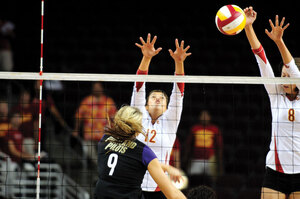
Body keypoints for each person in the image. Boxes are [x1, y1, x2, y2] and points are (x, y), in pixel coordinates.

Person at [244, 6, 300, 199]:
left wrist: (279, 41)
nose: (284, 80)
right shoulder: (276, 94)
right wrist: (248, 27)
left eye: (288, 77)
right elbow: (261, 59)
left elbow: (293, 69)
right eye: (281, 76)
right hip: (275, 172)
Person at [131, 33, 191, 198]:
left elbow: (178, 93)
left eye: (162, 98)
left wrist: (179, 63)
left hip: (159, 188)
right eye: (153, 97)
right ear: (146, 104)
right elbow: (138, 86)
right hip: (133, 185)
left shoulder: (170, 121)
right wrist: (146, 58)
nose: (157, 99)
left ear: (166, 107)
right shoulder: (138, 115)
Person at [94, 105, 186, 199]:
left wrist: (166, 167)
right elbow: (172, 194)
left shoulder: (104, 140)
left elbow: (125, 157)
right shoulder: (143, 152)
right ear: (138, 128)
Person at [73, 81, 117, 164]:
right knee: (90, 153)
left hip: (105, 135)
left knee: (107, 154)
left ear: (102, 88)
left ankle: (102, 167)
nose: (97, 89)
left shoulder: (109, 101)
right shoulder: (86, 101)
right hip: (89, 135)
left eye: (98, 87)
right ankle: (98, 166)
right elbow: (79, 116)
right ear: (92, 89)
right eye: (95, 87)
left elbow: (115, 117)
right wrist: (76, 129)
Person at [185, 110, 223, 185]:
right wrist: (186, 158)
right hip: (196, 160)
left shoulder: (215, 129)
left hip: (210, 160)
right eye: (202, 115)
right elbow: (189, 145)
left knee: (210, 181)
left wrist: (219, 161)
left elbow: (219, 147)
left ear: (210, 117)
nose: (204, 117)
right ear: (199, 117)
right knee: (193, 180)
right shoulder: (194, 129)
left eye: (206, 115)